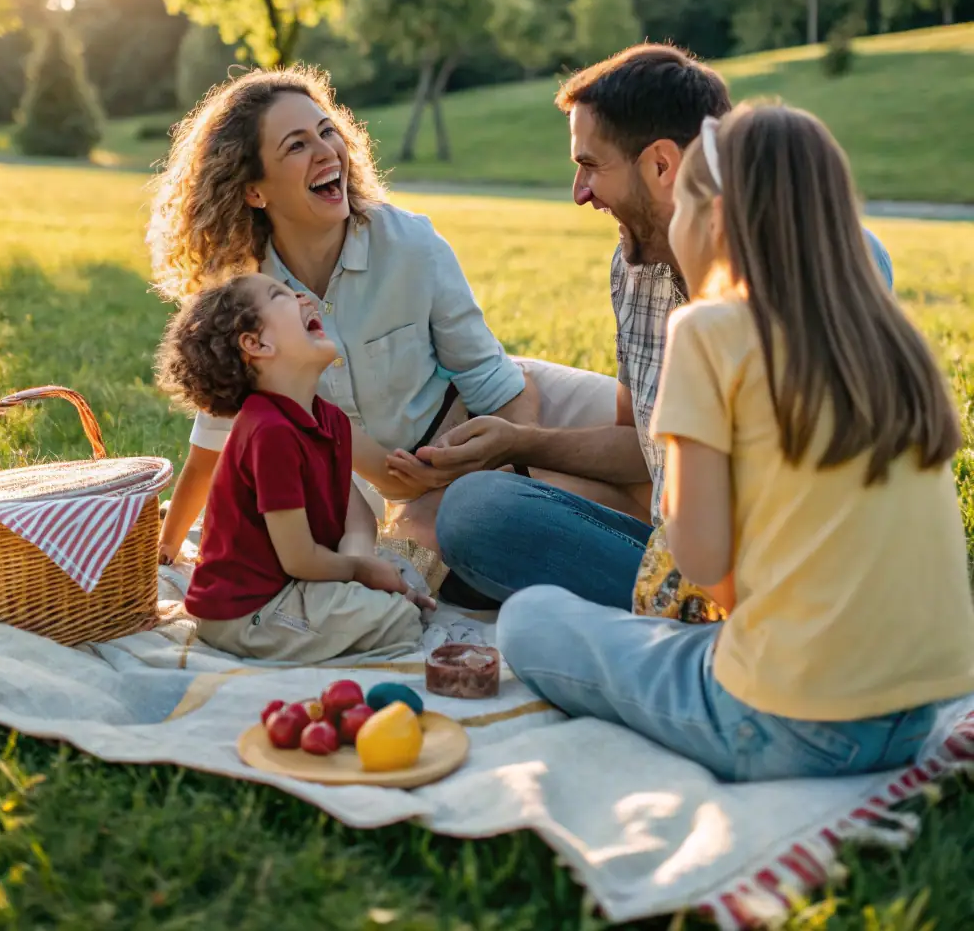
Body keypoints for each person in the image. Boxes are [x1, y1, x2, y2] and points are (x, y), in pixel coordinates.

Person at [498, 103, 974, 783]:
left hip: (788, 721)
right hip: (918, 712)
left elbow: (700, 558)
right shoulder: (890, 340)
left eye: (683, 205)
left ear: (717, 220)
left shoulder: (708, 330)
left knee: (530, 619)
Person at [413, 45, 893, 609]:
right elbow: (642, 448)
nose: (580, 193)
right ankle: (655, 623)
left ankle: (670, 637)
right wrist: (520, 443)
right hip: (673, 565)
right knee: (476, 510)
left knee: (531, 621)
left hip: (784, 585)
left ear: (661, 165)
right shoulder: (633, 269)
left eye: (590, 166)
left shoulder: (834, 262)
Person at [147, 65, 620, 596]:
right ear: (255, 191)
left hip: (486, 425)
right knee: (422, 564)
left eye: (328, 132)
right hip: (390, 492)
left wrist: (506, 466)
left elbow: (497, 385)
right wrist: (167, 550)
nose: (327, 152)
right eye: (297, 146)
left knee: (644, 446)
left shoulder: (409, 244)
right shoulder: (249, 300)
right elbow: (213, 441)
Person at [155, 272, 433, 662]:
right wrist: (359, 573)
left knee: (407, 581)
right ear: (257, 344)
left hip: (301, 578)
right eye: (280, 295)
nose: (305, 297)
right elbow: (299, 557)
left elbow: (357, 517)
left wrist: (363, 562)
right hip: (248, 609)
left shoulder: (328, 418)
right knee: (399, 621)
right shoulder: (268, 432)